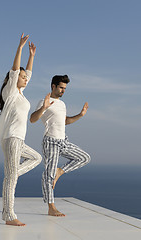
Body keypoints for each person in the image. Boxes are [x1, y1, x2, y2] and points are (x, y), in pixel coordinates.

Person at [0, 33, 42, 226]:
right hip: (12, 138)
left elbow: (28, 74)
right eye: (22, 77)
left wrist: (32, 56)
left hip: (19, 139)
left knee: (35, 158)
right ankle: (9, 216)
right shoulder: (10, 92)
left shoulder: (20, 93)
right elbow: (15, 70)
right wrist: (20, 48)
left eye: (26, 78)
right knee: (11, 180)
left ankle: (13, 172)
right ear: (14, 78)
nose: (25, 79)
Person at [30, 75, 91, 217]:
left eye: (65, 88)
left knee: (84, 158)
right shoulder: (44, 101)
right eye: (61, 88)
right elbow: (32, 119)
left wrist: (80, 115)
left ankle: (60, 171)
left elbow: (65, 121)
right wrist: (43, 108)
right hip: (50, 141)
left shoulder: (62, 104)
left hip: (63, 141)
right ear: (53, 86)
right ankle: (51, 207)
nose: (63, 91)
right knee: (48, 175)